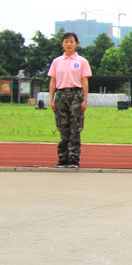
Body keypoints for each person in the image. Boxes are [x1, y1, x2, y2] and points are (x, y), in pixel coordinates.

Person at [47, 32, 92, 168]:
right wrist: (51, 99)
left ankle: (74, 158)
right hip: (60, 94)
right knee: (63, 127)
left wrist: (84, 99)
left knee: (75, 127)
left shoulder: (81, 61)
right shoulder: (57, 61)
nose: (69, 44)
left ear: (76, 44)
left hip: (76, 94)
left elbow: (84, 81)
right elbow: (53, 81)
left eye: (71, 41)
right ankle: (63, 158)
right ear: (62, 44)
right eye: (66, 41)